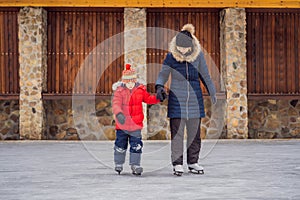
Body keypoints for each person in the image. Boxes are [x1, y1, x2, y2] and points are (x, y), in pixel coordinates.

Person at [155, 24, 217, 176]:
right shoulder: (171, 57)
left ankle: (193, 162)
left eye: (185, 49)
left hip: (195, 99)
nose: (182, 51)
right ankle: (177, 164)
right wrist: (159, 86)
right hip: (177, 99)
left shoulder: (198, 56)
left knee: (194, 134)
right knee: (177, 134)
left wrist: (212, 91)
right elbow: (163, 73)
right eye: (180, 48)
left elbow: (205, 75)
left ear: (191, 46)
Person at [112, 63, 160, 175]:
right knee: (120, 144)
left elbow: (148, 98)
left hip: (135, 125)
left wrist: (158, 98)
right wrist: (119, 114)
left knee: (136, 145)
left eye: (132, 81)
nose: (130, 84)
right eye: (127, 82)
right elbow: (116, 104)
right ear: (124, 81)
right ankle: (119, 163)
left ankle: (135, 165)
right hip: (122, 125)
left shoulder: (140, 90)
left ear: (135, 81)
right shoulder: (119, 92)